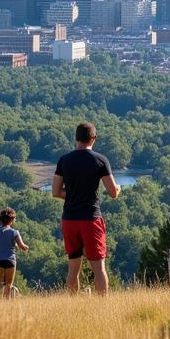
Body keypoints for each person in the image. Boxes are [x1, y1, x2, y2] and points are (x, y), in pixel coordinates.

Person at [52, 122, 120, 295]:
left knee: (73, 267)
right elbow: (113, 192)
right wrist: (118, 188)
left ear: (76, 138)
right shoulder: (100, 160)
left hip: (69, 219)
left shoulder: (64, 160)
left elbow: (56, 191)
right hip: (91, 218)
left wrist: (74, 193)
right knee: (98, 267)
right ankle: (102, 305)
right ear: (94, 138)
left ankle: (73, 303)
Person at [0, 206, 29, 299]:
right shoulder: (15, 232)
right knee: (9, 284)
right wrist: (27, 247)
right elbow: (22, 246)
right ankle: (6, 303)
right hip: (10, 260)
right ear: (11, 220)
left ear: (1, 220)